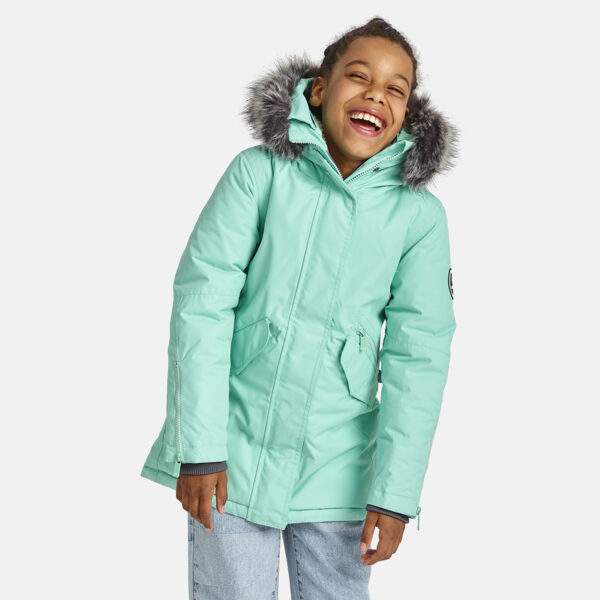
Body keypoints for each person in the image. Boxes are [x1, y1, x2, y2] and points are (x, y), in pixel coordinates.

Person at [140, 16, 459, 600]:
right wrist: (199, 449)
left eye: (396, 88)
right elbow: (201, 307)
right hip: (233, 452)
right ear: (318, 90)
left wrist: (395, 494)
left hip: (341, 468)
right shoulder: (259, 174)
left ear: (408, 112)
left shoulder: (418, 217)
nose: (375, 95)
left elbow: (420, 356)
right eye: (358, 77)